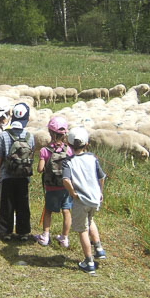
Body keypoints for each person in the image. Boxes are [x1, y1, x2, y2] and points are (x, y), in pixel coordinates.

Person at [62, 127, 107, 274]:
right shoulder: (92, 158)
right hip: (94, 199)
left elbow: (66, 180)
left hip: (81, 200)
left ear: (68, 145)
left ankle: (89, 262)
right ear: (86, 143)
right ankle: (99, 248)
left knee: (82, 230)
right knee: (90, 220)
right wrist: (100, 192)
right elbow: (101, 177)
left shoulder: (68, 162)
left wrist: (73, 193)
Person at [0, 102, 35, 241]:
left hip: (7, 176)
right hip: (23, 176)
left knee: (7, 203)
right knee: (23, 203)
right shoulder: (30, 136)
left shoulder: (3, 136)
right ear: (26, 119)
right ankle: (23, 232)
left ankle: (6, 231)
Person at [34, 116, 73, 247]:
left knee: (48, 211)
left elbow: (39, 169)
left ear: (50, 133)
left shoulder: (45, 150)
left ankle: (45, 236)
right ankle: (65, 238)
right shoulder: (69, 150)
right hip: (66, 187)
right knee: (66, 211)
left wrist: (45, 165)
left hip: (51, 187)